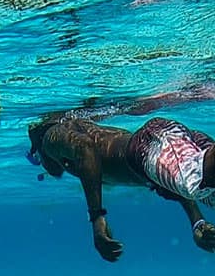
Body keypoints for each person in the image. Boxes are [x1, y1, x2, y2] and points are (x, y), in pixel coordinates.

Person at [27, 94, 215, 263]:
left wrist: (97, 218)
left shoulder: (49, 137)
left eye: (34, 158)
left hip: (149, 146)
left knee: (197, 182)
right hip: (165, 149)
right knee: (200, 187)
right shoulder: (76, 150)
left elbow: (84, 147)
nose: (41, 164)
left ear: (36, 144)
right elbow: (169, 178)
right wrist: (197, 221)